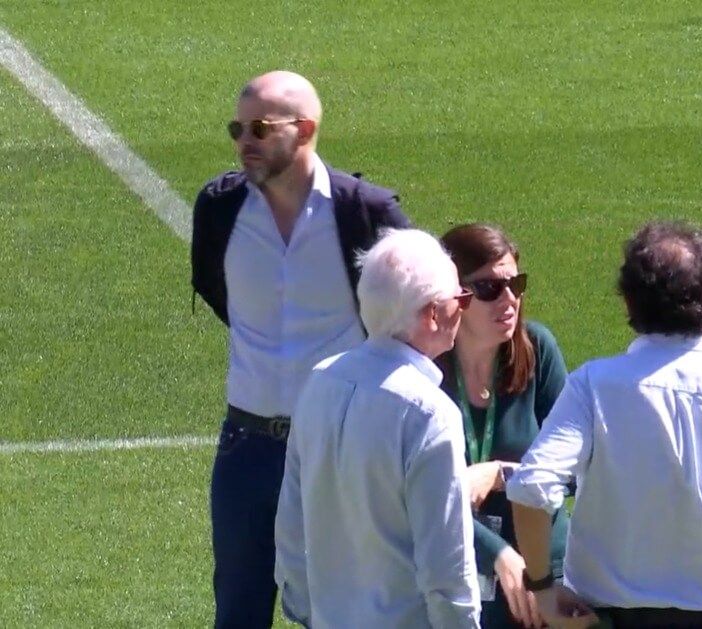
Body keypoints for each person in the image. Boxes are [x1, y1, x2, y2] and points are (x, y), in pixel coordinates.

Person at [189, 70, 410, 628]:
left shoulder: (365, 212)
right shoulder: (218, 208)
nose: (245, 141)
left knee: (336, 608)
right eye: (237, 128)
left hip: (336, 445)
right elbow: (219, 294)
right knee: (238, 607)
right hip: (245, 445)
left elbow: (413, 309)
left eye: (260, 128)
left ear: (305, 129)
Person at [508, 221, 702, 629]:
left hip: (609, 619)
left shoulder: (593, 386)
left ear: (629, 300)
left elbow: (530, 488)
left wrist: (541, 588)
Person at [274, 228, 480, 628]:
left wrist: (306, 612)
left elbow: (291, 528)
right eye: (461, 299)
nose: (464, 310)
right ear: (433, 314)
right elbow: (446, 568)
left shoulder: (319, 382)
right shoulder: (429, 414)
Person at [436, 224, 570, 629]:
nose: (509, 299)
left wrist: (500, 473)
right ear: (454, 294)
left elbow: (579, 470)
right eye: (490, 288)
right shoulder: (425, 370)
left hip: (541, 571)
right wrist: (495, 550)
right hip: (455, 563)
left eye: (516, 284)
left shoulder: (538, 351)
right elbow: (412, 493)